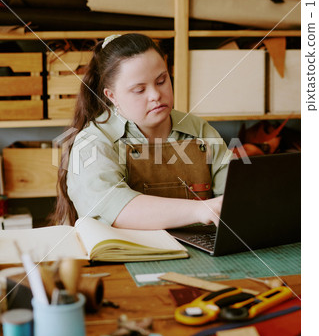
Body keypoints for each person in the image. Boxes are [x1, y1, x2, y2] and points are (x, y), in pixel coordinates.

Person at [52, 33, 232, 229]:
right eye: (139, 90)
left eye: (161, 81)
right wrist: (199, 210)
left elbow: (236, 195)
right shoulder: (94, 141)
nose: (156, 95)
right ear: (112, 96)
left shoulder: (199, 129)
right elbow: (113, 208)